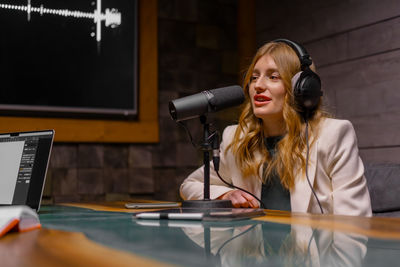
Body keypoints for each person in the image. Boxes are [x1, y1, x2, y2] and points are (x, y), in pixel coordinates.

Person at [180, 39, 372, 216]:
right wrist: (225, 194)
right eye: (254, 78)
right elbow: (190, 185)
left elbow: (356, 224)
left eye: (273, 77)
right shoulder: (237, 138)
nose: (258, 86)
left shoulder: (333, 135)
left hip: (317, 253)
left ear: (302, 89)